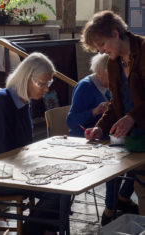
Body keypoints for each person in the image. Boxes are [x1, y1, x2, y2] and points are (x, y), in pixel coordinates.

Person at [0, 52, 70, 235]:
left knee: (66, 182)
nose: (46, 89)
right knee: (59, 191)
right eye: (42, 84)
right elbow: (2, 154)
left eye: (49, 83)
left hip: (14, 169)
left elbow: (24, 146)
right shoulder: (2, 102)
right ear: (26, 79)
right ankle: (35, 230)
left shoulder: (24, 101)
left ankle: (45, 229)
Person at [81, 10, 145, 225]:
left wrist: (131, 117)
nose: (101, 50)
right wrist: (100, 128)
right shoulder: (112, 62)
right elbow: (115, 104)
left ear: (116, 33)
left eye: (102, 44)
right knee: (142, 191)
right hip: (134, 140)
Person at [66, 53, 111, 137]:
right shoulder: (85, 87)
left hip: (102, 136)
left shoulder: (107, 85)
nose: (116, 79)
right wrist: (94, 111)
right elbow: (71, 121)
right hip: (84, 139)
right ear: (99, 73)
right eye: (111, 75)